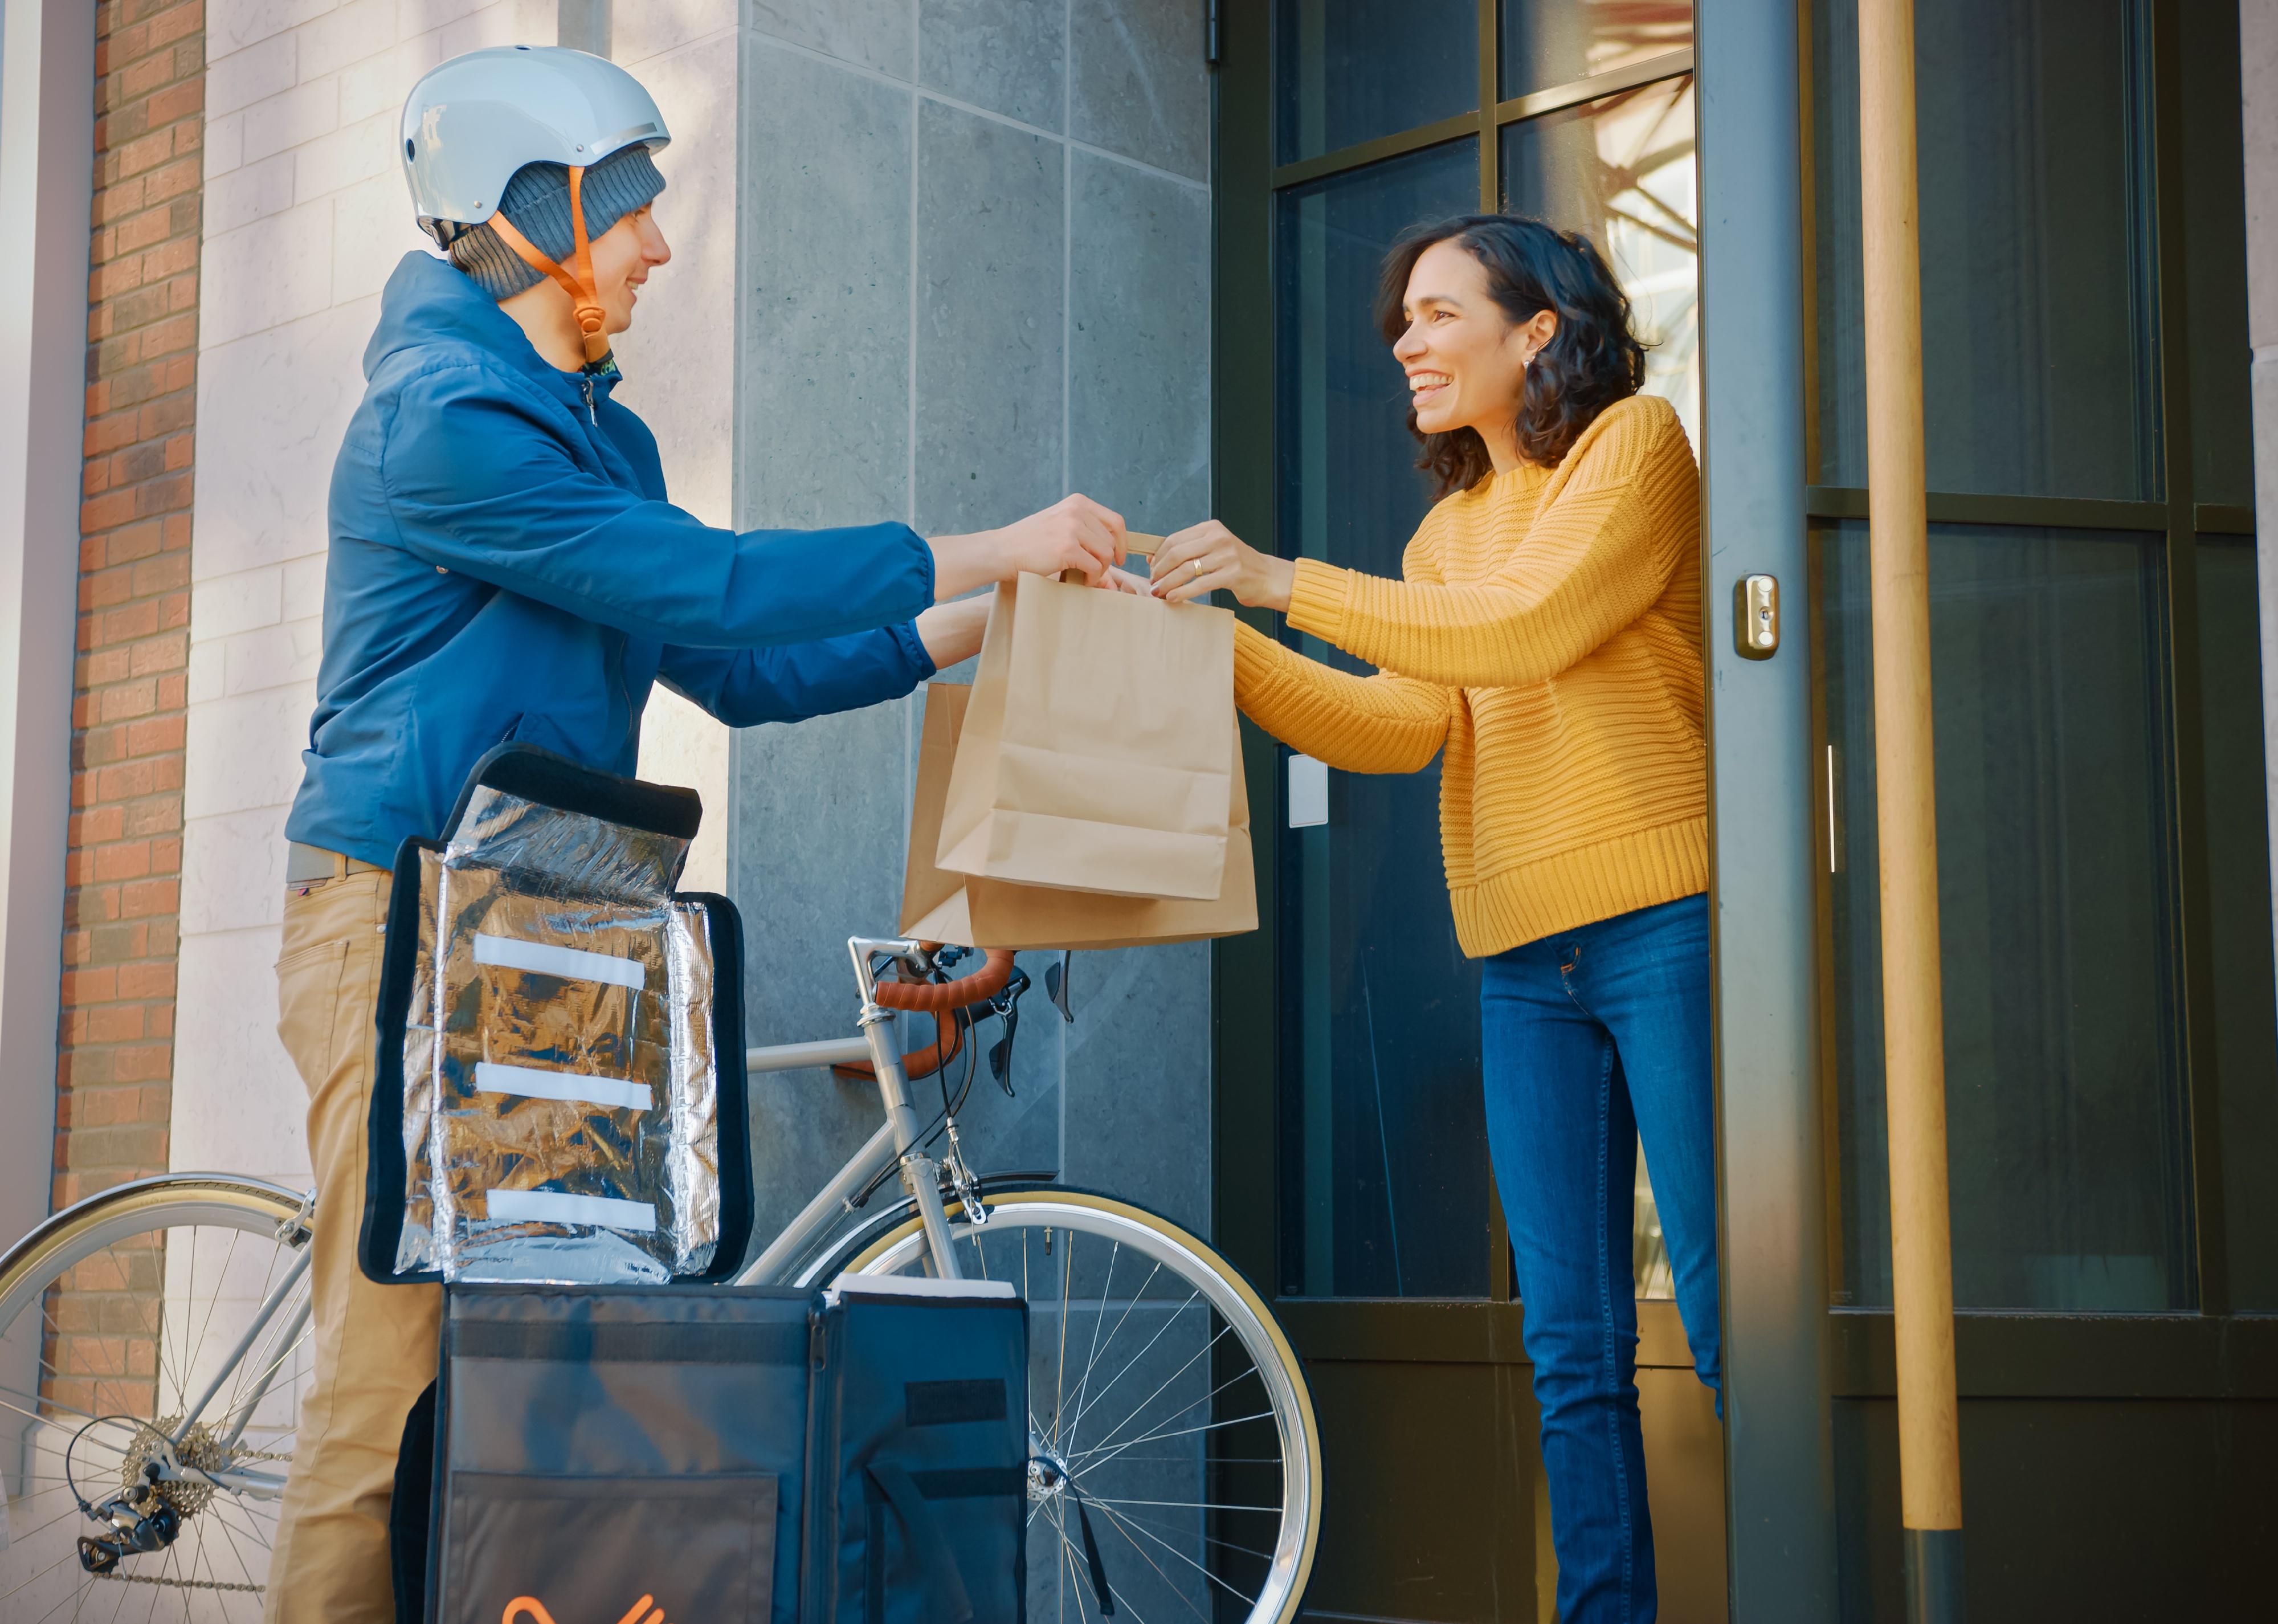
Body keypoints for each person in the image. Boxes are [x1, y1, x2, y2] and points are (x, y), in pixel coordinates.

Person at [267, 46, 1124, 1621]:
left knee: (545, 1375)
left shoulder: (607, 441)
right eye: (636, 211)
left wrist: (987, 610)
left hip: (541, 921)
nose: (661, 248)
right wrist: (996, 536)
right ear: (535, 209)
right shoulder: (445, 424)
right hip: (393, 917)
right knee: (396, 1381)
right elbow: (719, 587)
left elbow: (743, 665)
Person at [1146, 214, 1711, 1623]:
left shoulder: (1630, 449)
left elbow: (1527, 629)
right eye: (1401, 319)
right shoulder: (1444, 533)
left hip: (1666, 929)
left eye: (1438, 313)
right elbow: (1402, 726)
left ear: (1538, 332)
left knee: (1724, 1317)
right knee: (1569, 1346)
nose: (1403, 341)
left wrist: (1280, 580)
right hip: (1522, 958)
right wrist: (1214, 639)